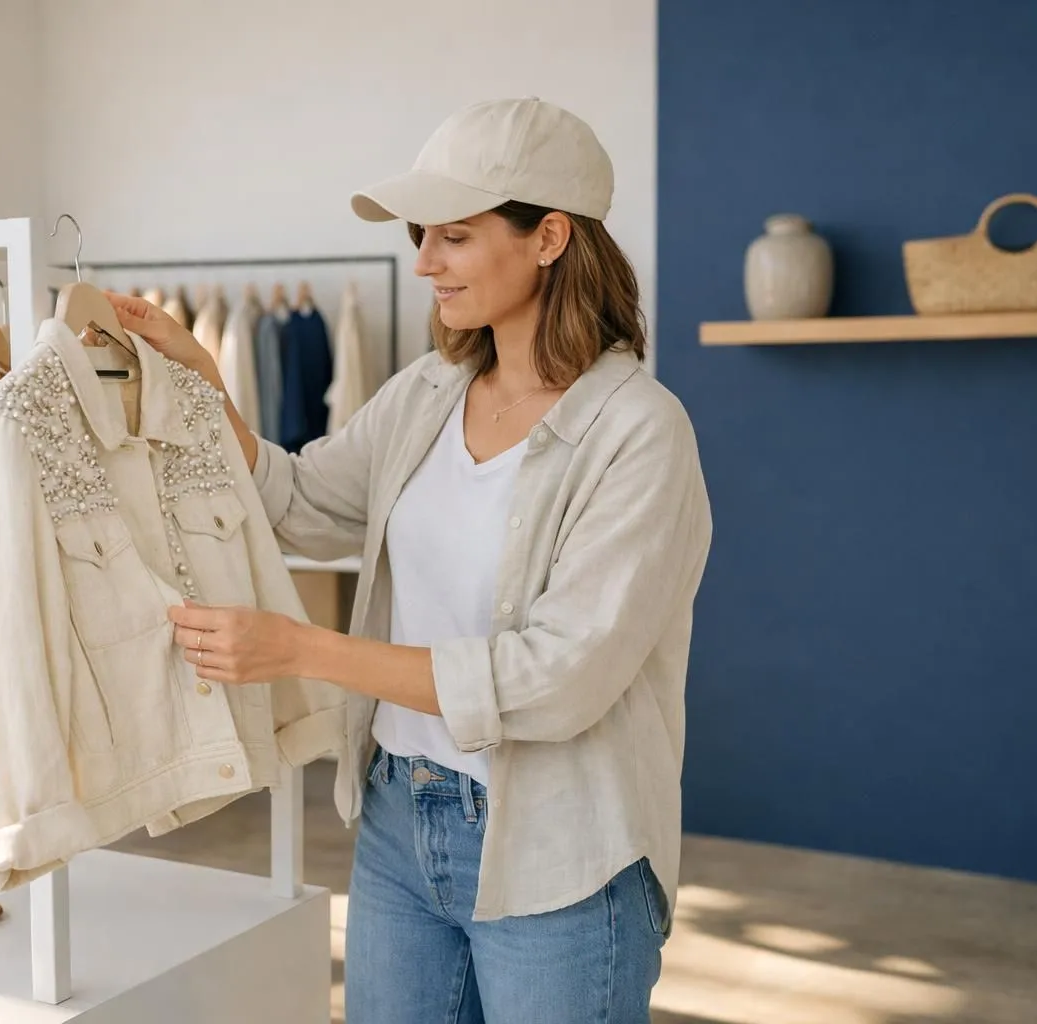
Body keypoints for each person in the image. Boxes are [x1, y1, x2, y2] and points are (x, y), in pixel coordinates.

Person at [106, 98, 713, 1023]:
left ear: (549, 236)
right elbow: (299, 503)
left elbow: (556, 679)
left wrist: (301, 648)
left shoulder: (639, 433)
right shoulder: (427, 392)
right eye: (422, 235)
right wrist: (200, 380)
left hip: (559, 851)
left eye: (454, 237)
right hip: (398, 818)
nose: (423, 260)